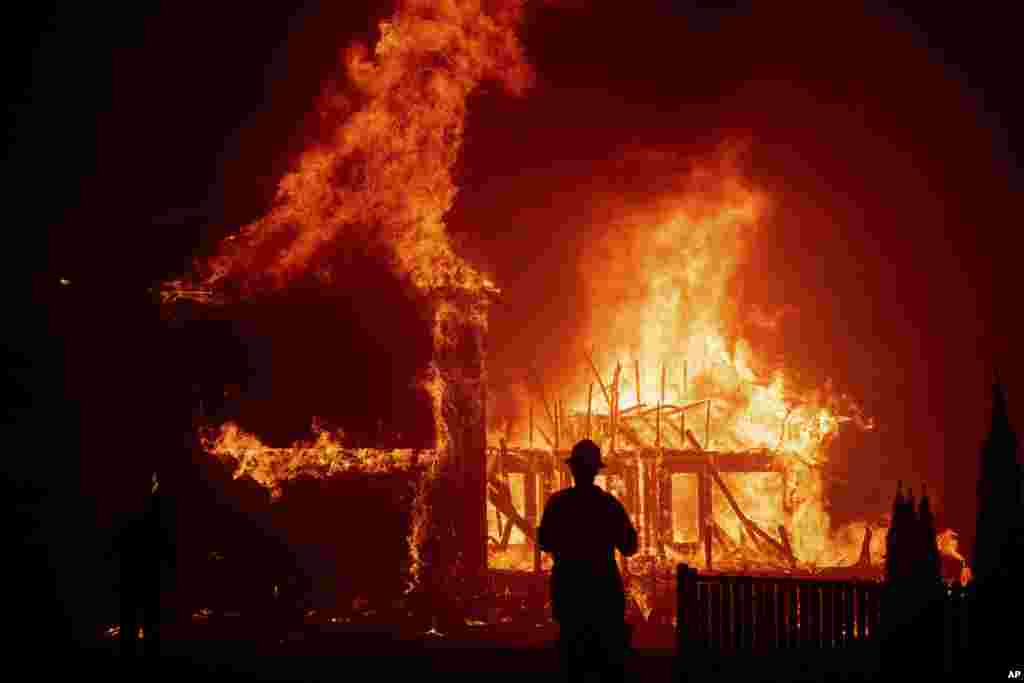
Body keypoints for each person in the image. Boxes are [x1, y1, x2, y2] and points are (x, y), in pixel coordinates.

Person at [539, 439, 638, 683]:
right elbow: (629, 547)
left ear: (573, 469)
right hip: (604, 593)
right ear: (596, 471)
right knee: (606, 664)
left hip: (568, 592)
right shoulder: (609, 505)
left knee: (573, 661)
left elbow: (545, 543)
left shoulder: (557, 503)